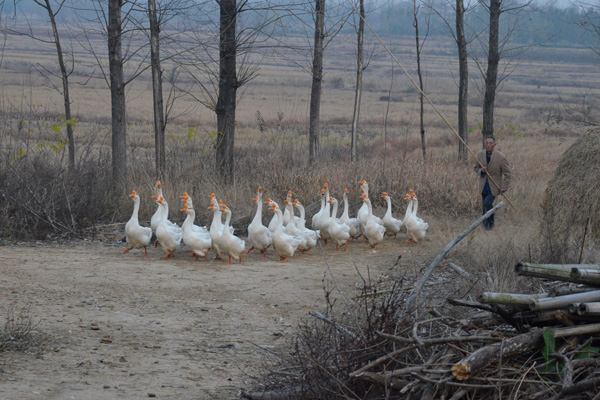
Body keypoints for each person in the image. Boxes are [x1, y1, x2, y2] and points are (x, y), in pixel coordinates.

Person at [474, 136, 511, 230]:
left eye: (490, 143)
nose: (488, 145)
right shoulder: (480, 155)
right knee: (485, 205)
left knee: (487, 203)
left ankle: (487, 225)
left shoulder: (501, 157)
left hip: (494, 186)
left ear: (494, 145)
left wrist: (504, 187)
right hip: (483, 185)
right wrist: (481, 170)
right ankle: (490, 225)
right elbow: (475, 168)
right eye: (486, 143)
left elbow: (507, 174)